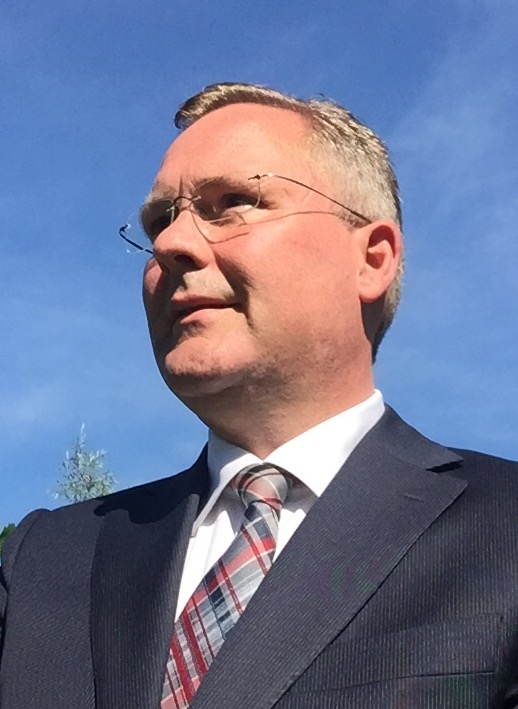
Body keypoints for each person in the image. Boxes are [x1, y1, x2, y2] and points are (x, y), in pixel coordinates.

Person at [1, 82, 518, 709]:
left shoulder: (504, 529)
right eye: (161, 220)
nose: (170, 244)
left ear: (372, 259)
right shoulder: (42, 561)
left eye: (233, 203)